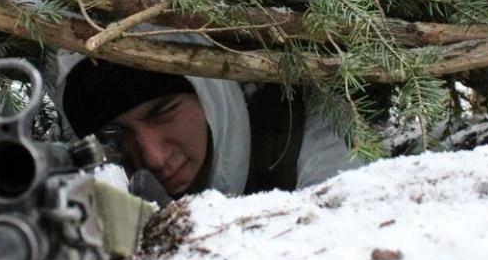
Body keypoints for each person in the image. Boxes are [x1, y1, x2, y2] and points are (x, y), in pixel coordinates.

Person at [55, 51, 361, 198]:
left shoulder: (308, 140)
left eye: (163, 112)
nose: (153, 159)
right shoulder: (94, 179)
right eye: (115, 136)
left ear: (208, 92)